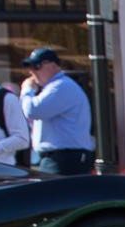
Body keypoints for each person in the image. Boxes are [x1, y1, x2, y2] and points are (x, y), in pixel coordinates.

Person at [19, 47, 95, 175]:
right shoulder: (55, 87)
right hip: (58, 158)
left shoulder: (61, 86)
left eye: (36, 66)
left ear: (52, 66)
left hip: (64, 159)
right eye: (30, 67)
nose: (32, 72)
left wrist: (27, 90)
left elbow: (32, 110)